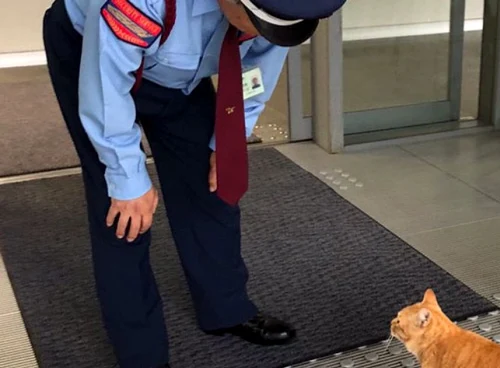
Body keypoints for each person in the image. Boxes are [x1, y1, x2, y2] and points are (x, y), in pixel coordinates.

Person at [41, 0, 345, 367]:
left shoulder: (280, 13)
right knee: (123, 211)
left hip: (178, 74)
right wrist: (127, 178)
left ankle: (226, 307)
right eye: (258, 23)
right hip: (92, 51)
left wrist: (229, 139)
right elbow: (105, 90)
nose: (259, 35)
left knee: (211, 184)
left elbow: (257, 71)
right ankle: (141, 354)